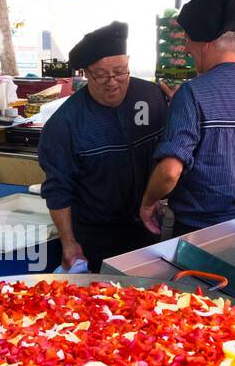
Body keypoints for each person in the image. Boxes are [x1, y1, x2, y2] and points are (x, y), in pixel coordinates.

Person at [140, 0, 235, 236]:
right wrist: (183, 109)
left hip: (200, 232)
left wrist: (148, 202)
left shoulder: (192, 93)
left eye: (188, 40)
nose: (186, 48)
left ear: (204, 43)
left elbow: (170, 171)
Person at [38, 21, 169, 272]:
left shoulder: (151, 96)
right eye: (101, 75)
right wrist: (68, 243)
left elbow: (168, 150)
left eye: (120, 72)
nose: (113, 82)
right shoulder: (65, 123)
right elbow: (58, 190)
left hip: (147, 226)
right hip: (96, 237)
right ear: (86, 73)